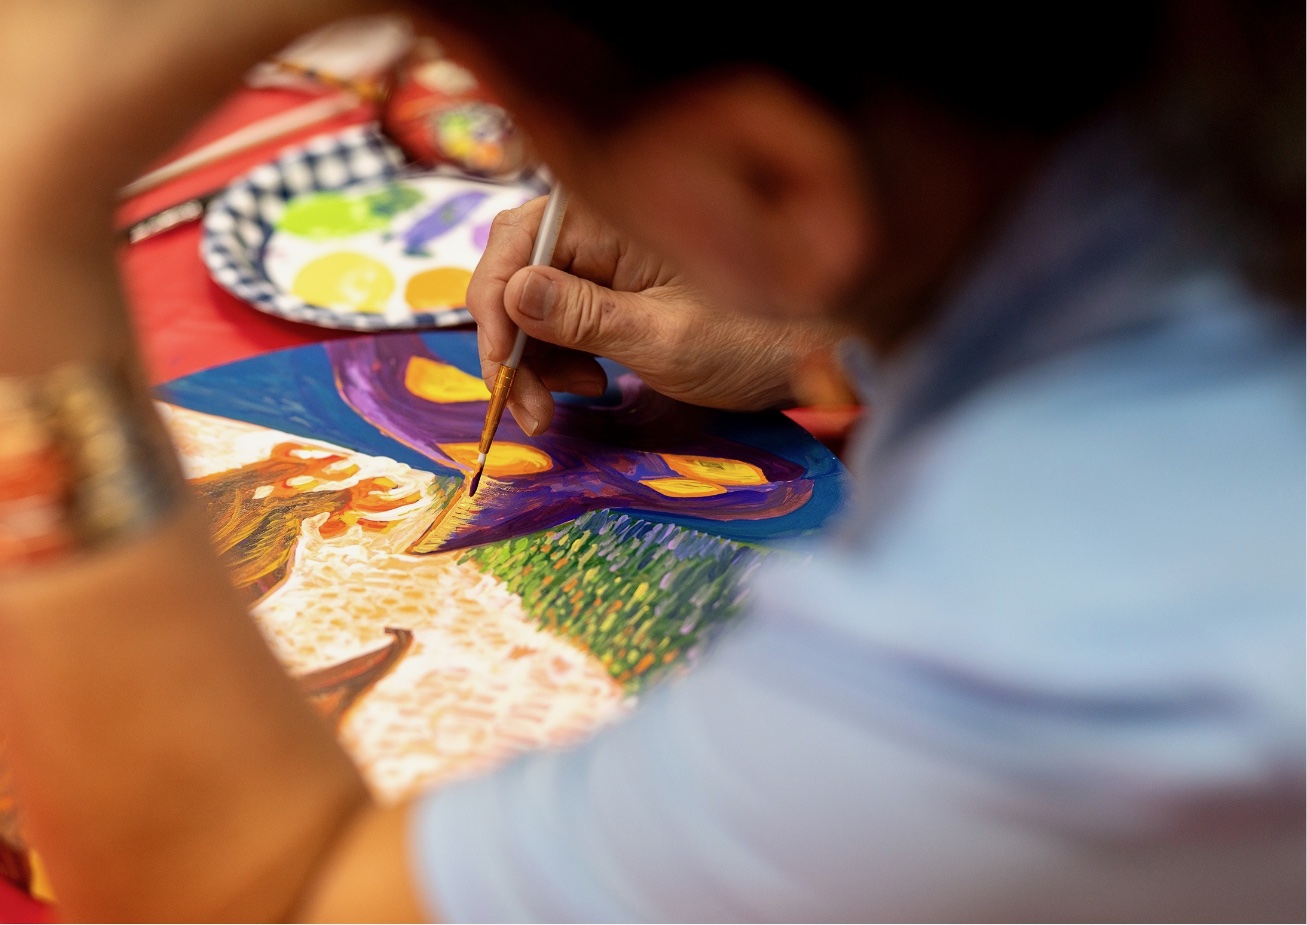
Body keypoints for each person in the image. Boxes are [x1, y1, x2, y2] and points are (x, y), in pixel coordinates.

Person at [0, 0, 1301, 920]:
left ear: (772, 178)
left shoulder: (1062, 654)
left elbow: (263, 897)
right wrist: (825, 329)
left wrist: (26, 236)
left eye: (531, 129)